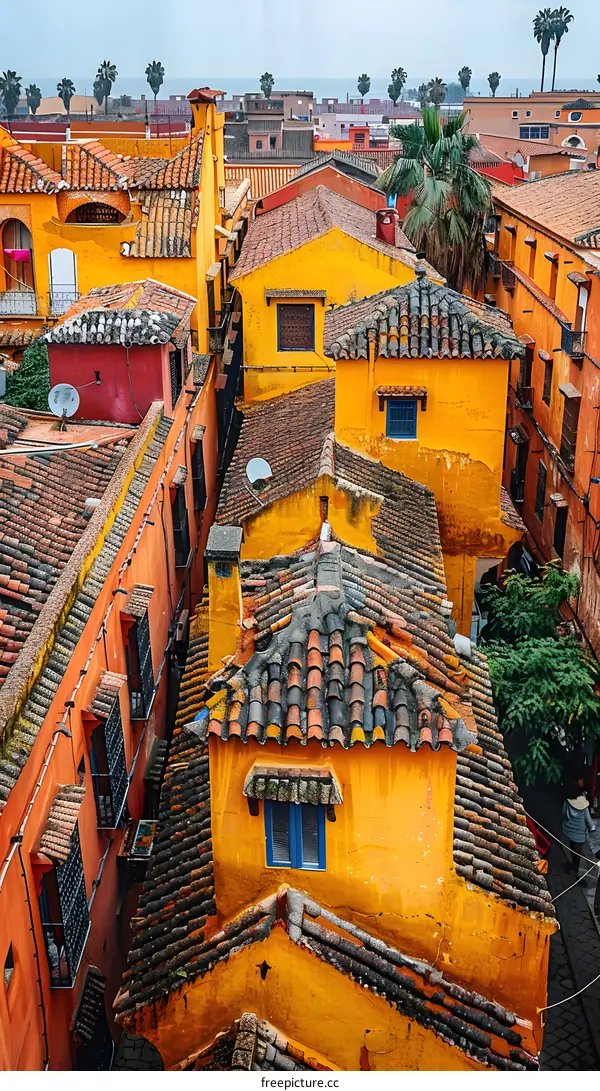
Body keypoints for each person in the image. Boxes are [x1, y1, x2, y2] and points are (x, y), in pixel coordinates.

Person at [561, 778, 596, 878]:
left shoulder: (567, 802)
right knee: (578, 852)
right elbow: (589, 821)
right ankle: (577, 872)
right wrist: (592, 829)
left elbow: (564, 814)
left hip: (568, 831)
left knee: (572, 849)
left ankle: (573, 865)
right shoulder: (583, 805)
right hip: (579, 835)